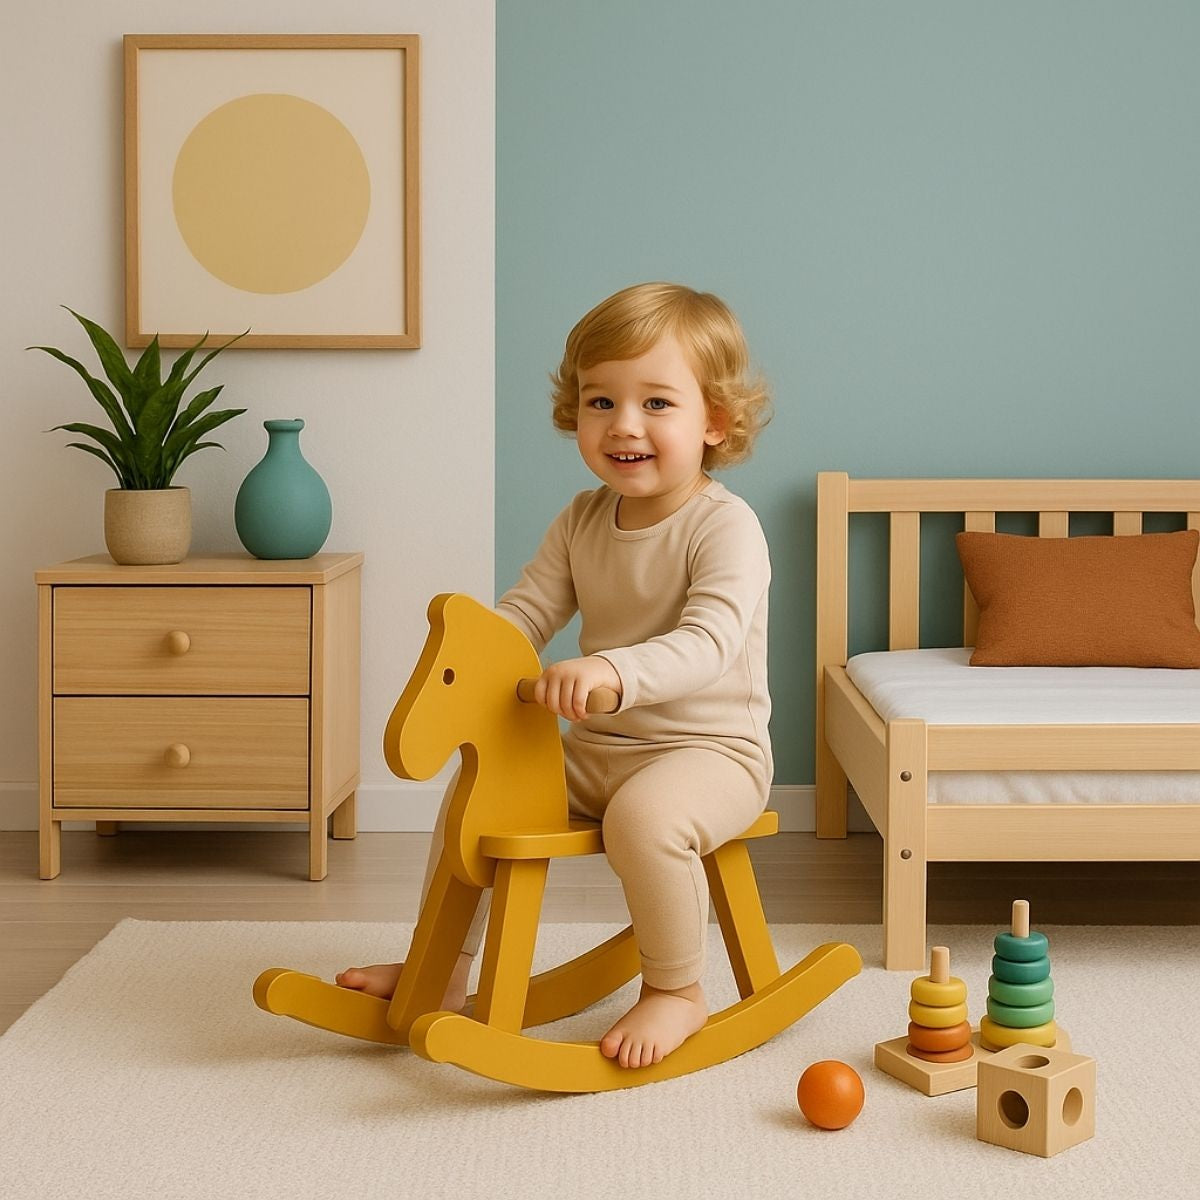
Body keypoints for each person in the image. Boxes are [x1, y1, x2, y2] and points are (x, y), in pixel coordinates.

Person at [337, 281, 773, 1069]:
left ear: (714, 420)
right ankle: (446, 970)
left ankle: (677, 989)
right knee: (479, 795)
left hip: (710, 755)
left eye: (657, 404)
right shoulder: (580, 519)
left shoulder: (724, 526)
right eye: (601, 400)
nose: (624, 425)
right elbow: (527, 613)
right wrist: (476, 651)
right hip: (600, 748)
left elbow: (709, 641)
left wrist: (610, 668)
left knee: (645, 821)